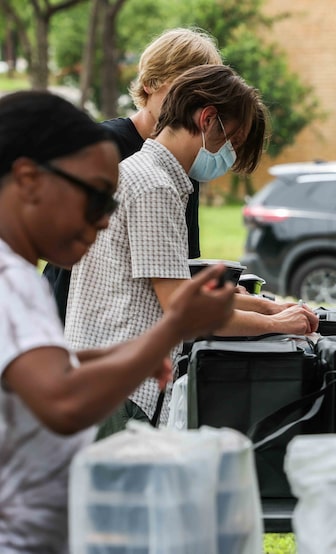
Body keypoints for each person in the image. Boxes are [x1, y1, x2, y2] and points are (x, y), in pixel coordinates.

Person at [0, 90, 236, 553]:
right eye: (96, 200)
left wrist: (123, 355)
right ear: (29, 179)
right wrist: (172, 328)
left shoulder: (17, 275)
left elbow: (29, 370)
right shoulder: (11, 279)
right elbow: (63, 401)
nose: (106, 222)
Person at [65, 64, 319, 437]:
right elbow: (187, 313)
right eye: (231, 140)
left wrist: (265, 305)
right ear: (207, 119)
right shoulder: (155, 188)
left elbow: (166, 291)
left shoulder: (143, 172)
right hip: (119, 392)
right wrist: (277, 325)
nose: (228, 155)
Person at [41, 27, 223, 323]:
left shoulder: (184, 161)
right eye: (183, 90)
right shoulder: (102, 146)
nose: (192, 104)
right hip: (69, 315)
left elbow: (183, 259)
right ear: (151, 83)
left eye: (203, 97)